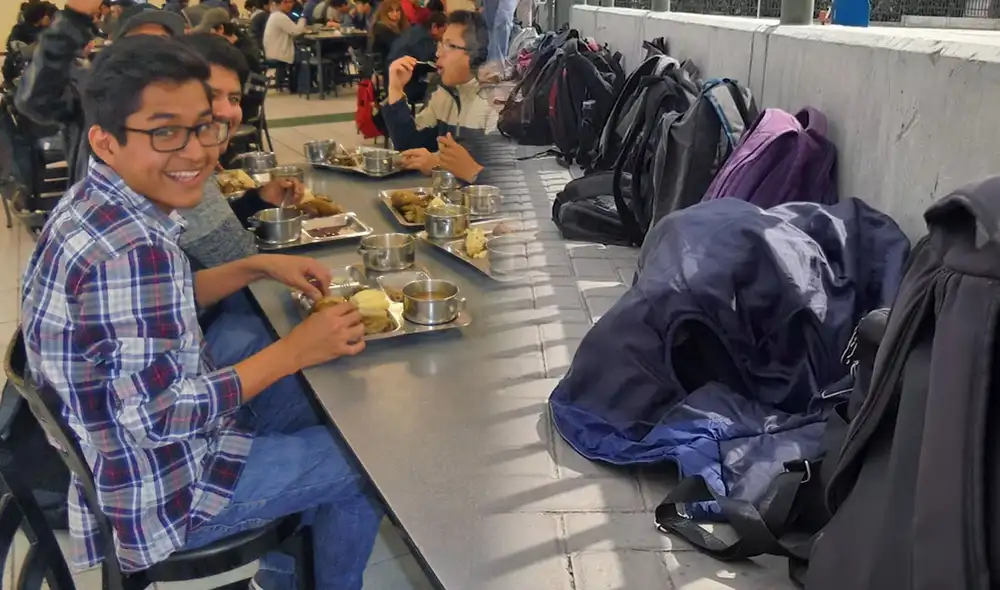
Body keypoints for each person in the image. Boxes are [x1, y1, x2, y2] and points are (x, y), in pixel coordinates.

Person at [21, 35, 382, 590]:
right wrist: (294, 350)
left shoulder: (93, 206)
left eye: (204, 126)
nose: (196, 152)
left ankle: (284, 577)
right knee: (367, 466)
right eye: (164, 131)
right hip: (162, 495)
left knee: (316, 403)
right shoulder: (132, 251)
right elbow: (160, 418)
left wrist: (255, 266)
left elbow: (151, 315)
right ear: (105, 141)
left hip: (116, 458)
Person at [15, 0, 186, 187]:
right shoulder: (92, 96)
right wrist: (73, 21)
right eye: (141, 42)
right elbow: (35, 100)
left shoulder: (188, 99)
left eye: (162, 41)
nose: (152, 51)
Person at [383, 10, 491, 183]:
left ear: (475, 55)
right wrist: (395, 90)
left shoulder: (497, 106)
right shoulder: (444, 93)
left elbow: (515, 187)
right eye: (440, 44)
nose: (438, 54)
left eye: (449, 46)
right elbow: (410, 147)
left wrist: (445, 166)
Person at [387, 10, 446, 103]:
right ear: (434, 27)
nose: (444, 36)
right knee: (438, 88)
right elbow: (429, 63)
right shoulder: (425, 40)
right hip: (405, 84)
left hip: (391, 76)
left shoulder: (415, 30)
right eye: (444, 31)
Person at [263, 0, 306, 83]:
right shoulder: (280, 17)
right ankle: (299, 86)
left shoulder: (275, 15)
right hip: (279, 53)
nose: (289, 5)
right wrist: (303, 18)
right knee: (303, 57)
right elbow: (296, 31)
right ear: (279, 4)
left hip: (273, 51)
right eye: (286, 2)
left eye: (291, 2)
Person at [368, 0, 407, 79]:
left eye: (397, 10)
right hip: (386, 68)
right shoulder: (381, 28)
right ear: (384, 13)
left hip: (396, 64)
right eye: (391, 11)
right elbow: (397, 47)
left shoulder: (401, 27)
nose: (395, 14)